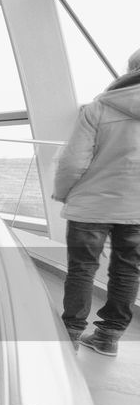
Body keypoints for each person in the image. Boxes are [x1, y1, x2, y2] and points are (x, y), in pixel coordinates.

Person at [53, 47, 140, 356]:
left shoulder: (99, 108)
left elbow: (73, 161)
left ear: (129, 70)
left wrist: (63, 192)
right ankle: (107, 338)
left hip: (91, 204)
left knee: (82, 268)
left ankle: (71, 334)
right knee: (128, 271)